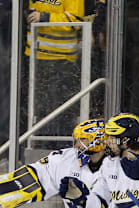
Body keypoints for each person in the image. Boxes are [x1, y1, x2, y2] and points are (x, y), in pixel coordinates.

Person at [0, 119, 131, 208]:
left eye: (82, 139)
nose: (76, 145)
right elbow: (29, 179)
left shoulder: (122, 164)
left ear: (98, 140)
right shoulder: (65, 160)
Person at [25, 0, 84, 137]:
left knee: (61, 109)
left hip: (62, 60)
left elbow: (76, 21)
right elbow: (32, 12)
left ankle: (59, 146)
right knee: (38, 110)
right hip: (35, 57)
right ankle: (40, 143)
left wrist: (46, 17)